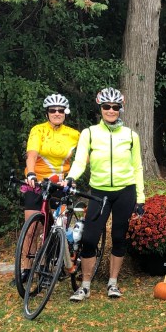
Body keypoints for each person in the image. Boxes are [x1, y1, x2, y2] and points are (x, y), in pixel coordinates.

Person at [65, 88, 145, 301]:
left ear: (120, 109)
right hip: (99, 192)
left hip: (125, 191)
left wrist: (140, 198)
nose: (111, 110)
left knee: (118, 237)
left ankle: (113, 283)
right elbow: (80, 161)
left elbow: (137, 167)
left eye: (115, 107)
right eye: (106, 106)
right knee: (90, 238)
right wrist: (71, 177)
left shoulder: (131, 136)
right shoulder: (89, 133)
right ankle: (85, 286)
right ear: (100, 108)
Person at [17, 94, 80, 284]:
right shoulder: (38, 130)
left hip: (60, 185)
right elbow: (31, 154)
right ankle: (26, 269)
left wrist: (73, 178)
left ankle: (46, 267)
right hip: (37, 183)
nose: (57, 113)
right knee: (31, 229)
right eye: (53, 110)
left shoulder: (74, 134)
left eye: (61, 110)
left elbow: (82, 159)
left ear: (65, 113)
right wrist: (30, 174)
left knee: (53, 229)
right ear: (47, 113)